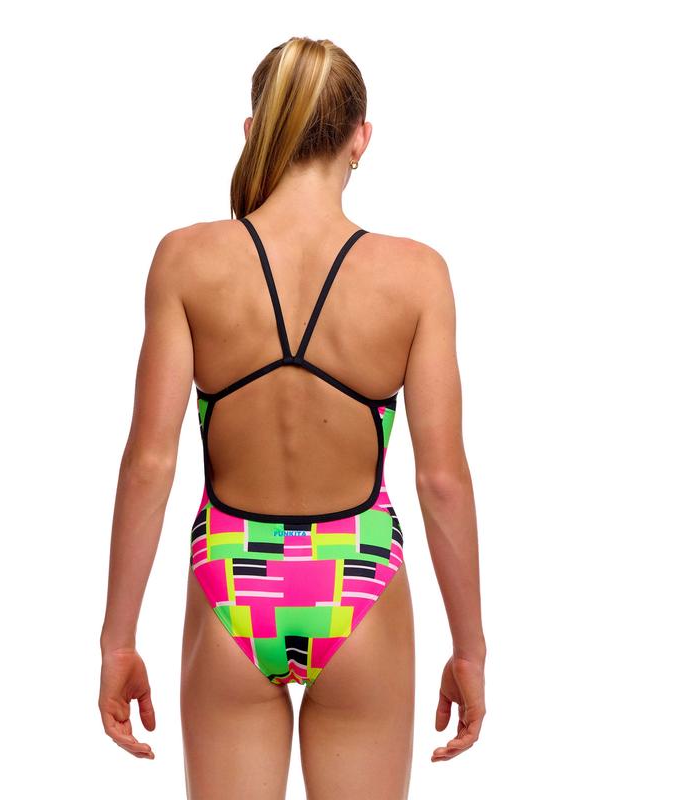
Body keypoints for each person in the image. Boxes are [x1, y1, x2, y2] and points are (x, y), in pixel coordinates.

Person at [98, 35, 486, 800]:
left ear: (255, 131)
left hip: (231, 576)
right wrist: (470, 651)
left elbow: (150, 463)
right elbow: (441, 480)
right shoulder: (416, 276)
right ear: (360, 139)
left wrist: (117, 640)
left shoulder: (185, 260)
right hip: (358, 578)